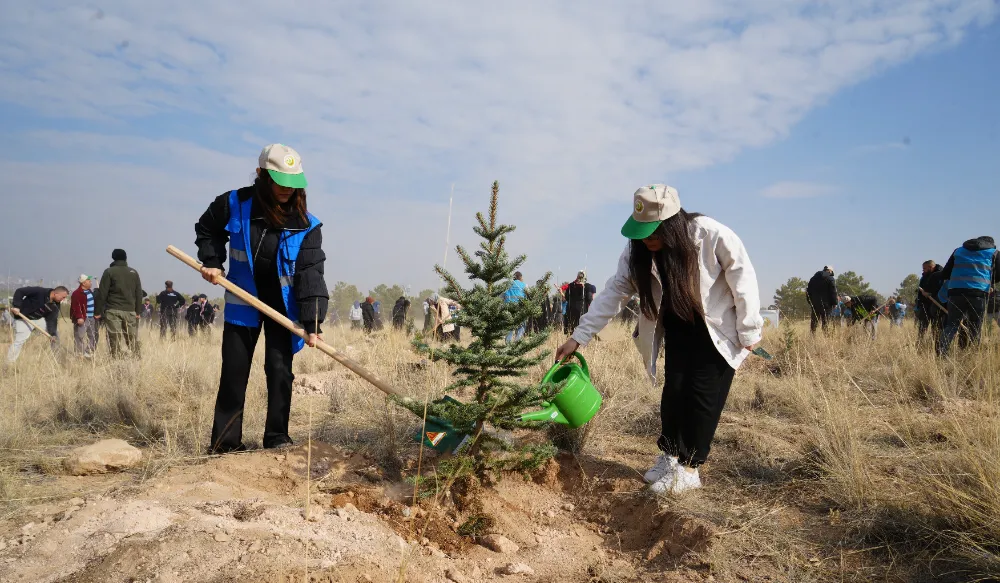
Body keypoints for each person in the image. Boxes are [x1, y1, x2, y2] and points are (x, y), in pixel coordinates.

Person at [555, 184, 763, 495]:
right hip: (677, 326)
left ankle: (690, 469)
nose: (648, 238)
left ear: (673, 221)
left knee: (702, 396)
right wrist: (578, 337)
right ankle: (669, 456)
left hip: (716, 327)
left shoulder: (708, 234)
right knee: (675, 391)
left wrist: (749, 330)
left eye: (654, 230)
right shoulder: (635, 251)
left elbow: (742, 277)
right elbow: (614, 292)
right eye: (642, 231)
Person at [195, 143, 328, 453]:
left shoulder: (307, 224)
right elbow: (207, 228)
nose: (286, 190)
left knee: (280, 371)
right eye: (280, 182)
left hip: (284, 307)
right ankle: (225, 444)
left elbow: (311, 274)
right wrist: (213, 261)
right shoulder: (235, 203)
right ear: (262, 175)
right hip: (243, 303)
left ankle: (277, 438)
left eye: (292, 185)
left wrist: (313, 321)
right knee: (234, 371)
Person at [937, 236, 1000, 355]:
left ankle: (942, 353)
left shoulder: (958, 251)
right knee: (975, 324)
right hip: (979, 293)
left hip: (955, 292)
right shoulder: (994, 253)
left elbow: (945, 273)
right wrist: (989, 281)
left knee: (951, 324)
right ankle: (972, 355)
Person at [94, 249, 144, 358]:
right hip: (130, 311)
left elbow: (102, 294)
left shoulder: (109, 272)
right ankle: (137, 359)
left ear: (113, 258)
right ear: (126, 258)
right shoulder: (134, 272)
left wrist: (97, 311)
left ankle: (116, 361)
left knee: (114, 337)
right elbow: (139, 293)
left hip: (113, 310)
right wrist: (138, 311)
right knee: (132, 337)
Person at [6, 286, 68, 363]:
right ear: (56, 293)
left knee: (55, 337)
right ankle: (9, 363)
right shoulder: (39, 291)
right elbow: (20, 291)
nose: (63, 299)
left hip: (39, 319)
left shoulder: (55, 305)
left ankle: (59, 361)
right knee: (19, 341)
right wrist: (17, 306)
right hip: (24, 318)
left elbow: (52, 320)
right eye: (63, 297)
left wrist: (52, 334)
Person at [70, 274, 99, 357]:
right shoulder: (77, 293)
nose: (91, 282)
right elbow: (76, 306)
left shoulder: (90, 291)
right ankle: (79, 354)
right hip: (83, 318)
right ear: (83, 283)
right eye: (89, 281)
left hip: (91, 318)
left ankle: (88, 352)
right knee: (79, 336)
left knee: (92, 336)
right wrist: (79, 317)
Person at [915, 260, 944, 342]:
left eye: (924, 268)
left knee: (936, 328)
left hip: (936, 305)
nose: (923, 270)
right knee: (922, 327)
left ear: (931, 267)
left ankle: (936, 345)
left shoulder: (940, 274)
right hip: (924, 305)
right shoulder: (924, 276)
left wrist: (931, 294)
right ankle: (920, 344)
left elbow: (942, 289)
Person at [806, 266, 838, 334]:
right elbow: (833, 292)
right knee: (825, 323)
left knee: (814, 323)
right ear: (830, 271)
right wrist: (835, 303)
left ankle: (812, 337)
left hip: (815, 304)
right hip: (827, 305)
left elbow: (808, 292)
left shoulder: (813, 279)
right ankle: (825, 339)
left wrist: (811, 302)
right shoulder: (830, 278)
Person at [504, 271, 528, 343]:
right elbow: (527, 297)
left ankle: (508, 344)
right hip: (520, 309)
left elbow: (502, 297)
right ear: (520, 277)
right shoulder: (524, 285)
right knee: (522, 325)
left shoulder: (507, 285)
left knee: (510, 327)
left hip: (509, 309)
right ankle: (517, 342)